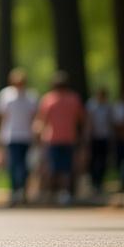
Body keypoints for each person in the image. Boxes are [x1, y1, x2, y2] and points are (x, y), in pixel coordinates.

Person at [35, 71, 85, 206]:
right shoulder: (74, 99)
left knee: (52, 168)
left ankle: (51, 193)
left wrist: (38, 136)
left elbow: (41, 121)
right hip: (69, 137)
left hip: (52, 138)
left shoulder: (48, 99)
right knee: (66, 168)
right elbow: (81, 119)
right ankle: (64, 193)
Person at [0, 67, 38, 206]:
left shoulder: (31, 96)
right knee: (13, 164)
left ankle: (23, 190)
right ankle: (14, 191)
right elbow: (1, 116)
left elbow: (34, 117)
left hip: (26, 135)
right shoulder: (6, 95)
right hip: (11, 135)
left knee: (25, 165)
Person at [86, 86, 114, 195]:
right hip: (94, 137)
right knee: (93, 161)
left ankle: (100, 182)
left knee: (103, 161)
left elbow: (110, 122)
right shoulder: (91, 105)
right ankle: (94, 182)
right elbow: (89, 122)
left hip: (105, 137)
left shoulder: (108, 106)